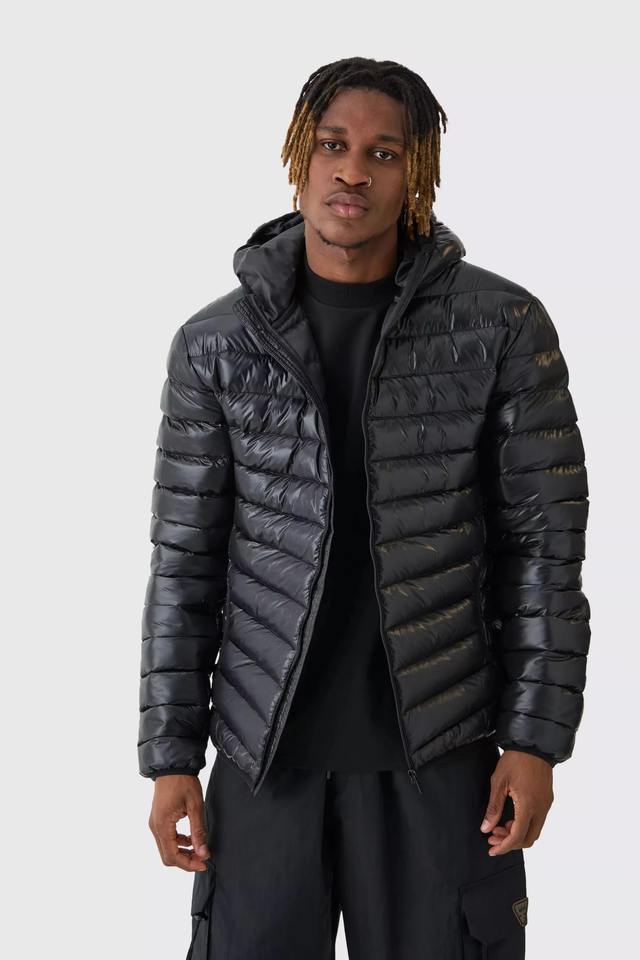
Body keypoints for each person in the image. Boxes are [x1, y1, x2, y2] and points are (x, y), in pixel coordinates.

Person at [138, 56, 591, 959]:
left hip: (442, 757)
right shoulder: (214, 344)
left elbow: (544, 548)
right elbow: (186, 561)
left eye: (384, 152)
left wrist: (535, 741)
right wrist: (170, 754)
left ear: (417, 172)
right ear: (298, 156)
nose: (353, 171)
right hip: (265, 759)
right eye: (333, 146)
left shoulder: (501, 327)